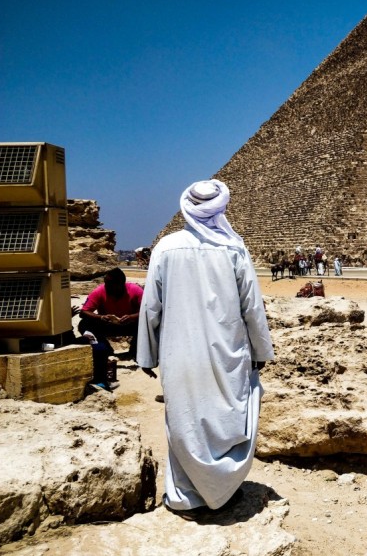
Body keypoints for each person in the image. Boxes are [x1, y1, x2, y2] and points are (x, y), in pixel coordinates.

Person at [137, 179, 274, 519]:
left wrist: (146, 354)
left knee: (185, 422)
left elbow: (151, 306)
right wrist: (260, 350)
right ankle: (223, 491)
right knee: (226, 419)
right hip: (228, 351)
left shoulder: (166, 247)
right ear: (221, 208)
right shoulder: (233, 249)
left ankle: (185, 498)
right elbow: (251, 307)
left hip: (178, 352)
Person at [78, 267, 142, 358]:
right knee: (84, 324)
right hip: (107, 325)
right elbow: (83, 312)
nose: (106, 286)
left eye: (110, 284)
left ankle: (135, 351)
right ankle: (105, 350)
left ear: (121, 284)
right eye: (106, 283)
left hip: (131, 325)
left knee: (148, 323)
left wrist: (132, 317)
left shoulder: (135, 290)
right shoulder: (99, 291)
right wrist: (101, 317)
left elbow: (148, 311)